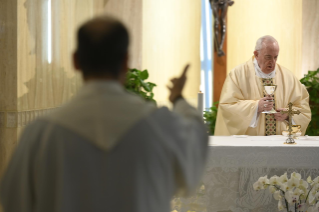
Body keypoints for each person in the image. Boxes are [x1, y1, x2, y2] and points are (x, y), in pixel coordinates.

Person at [0, 16, 208, 212]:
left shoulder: (40, 133)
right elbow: (195, 141)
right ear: (126, 61)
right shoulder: (159, 126)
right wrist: (178, 100)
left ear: (76, 61)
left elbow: (14, 202)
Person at [215, 35, 311, 136]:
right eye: (268, 57)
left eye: (275, 57)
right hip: (250, 143)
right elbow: (227, 106)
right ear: (256, 54)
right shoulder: (237, 74)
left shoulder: (288, 77)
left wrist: (288, 114)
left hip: (279, 144)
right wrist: (255, 107)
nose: (273, 62)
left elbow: (303, 109)